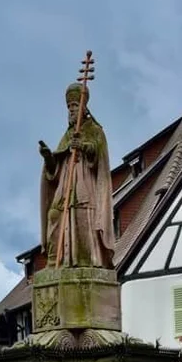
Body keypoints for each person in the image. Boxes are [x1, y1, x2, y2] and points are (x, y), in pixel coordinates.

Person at [38, 82, 115, 269]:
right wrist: (49, 157)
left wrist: (84, 146)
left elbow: (99, 156)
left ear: (84, 107)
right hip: (65, 182)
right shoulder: (67, 135)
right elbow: (54, 169)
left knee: (83, 218)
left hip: (85, 181)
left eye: (74, 106)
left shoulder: (95, 131)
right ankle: (55, 262)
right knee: (55, 215)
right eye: (69, 107)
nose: (71, 110)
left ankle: (87, 261)